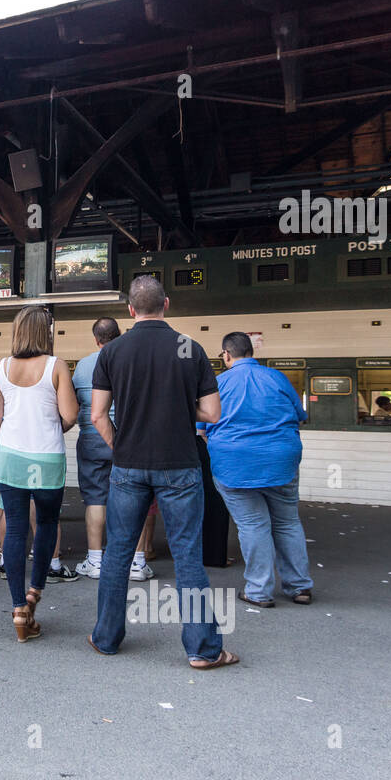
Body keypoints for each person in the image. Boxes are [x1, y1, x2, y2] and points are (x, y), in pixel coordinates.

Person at [89, 276, 236, 669]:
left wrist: (122, 447)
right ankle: (203, 650)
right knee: (189, 555)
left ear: (130, 310)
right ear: (166, 304)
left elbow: (98, 415)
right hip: (180, 465)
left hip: (127, 467)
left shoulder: (113, 350)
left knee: (118, 552)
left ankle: (106, 638)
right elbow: (213, 413)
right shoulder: (191, 348)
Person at [0, 305, 78, 642]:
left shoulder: (2, 368)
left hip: (10, 459)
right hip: (47, 458)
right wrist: (53, 423)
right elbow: (69, 415)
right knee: (47, 526)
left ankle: (16, 608)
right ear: (46, 333)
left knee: (15, 530)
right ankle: (34, 595)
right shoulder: (57, 366)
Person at [204, 331, 312, 606]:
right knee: (287, 522)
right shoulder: (277, 378)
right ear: (251, 352)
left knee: (253, 524)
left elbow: (201, 428)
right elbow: (300, 416)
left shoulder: (219, 383)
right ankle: (299, 587)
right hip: (281, 459)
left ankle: (259, 591)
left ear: (226, 355)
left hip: (234, 464)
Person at [72, 317, 121, 580]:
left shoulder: (83, 365)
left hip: (91, 437)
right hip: (126, 438)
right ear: (120, 335)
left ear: (96, 339)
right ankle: (131, 561)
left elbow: (75, 402)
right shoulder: (130, 360)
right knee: (128, 498)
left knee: (95, 498)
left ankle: (95, 560)